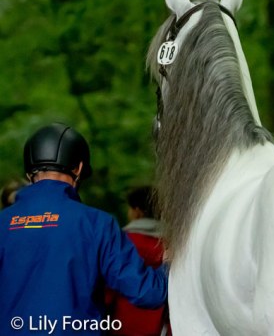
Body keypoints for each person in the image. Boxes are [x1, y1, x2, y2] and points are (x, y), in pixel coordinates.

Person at [0, 123, 168, 335]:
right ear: (78, 168)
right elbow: (149, 292)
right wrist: (171, 264)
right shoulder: (97, 224)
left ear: (28, 173)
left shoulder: (3, 223)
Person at [105, 185, 171, 336]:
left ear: (137, 211)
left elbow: (107, 292)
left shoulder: (123, 242)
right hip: (162, 327)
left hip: (122, 325)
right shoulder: (173, 246)